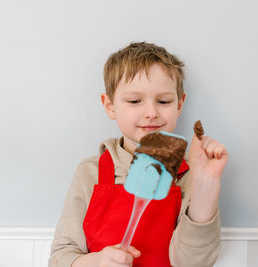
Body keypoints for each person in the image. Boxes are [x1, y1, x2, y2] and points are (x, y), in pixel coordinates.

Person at [49, 42, 228, 267]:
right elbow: (61, 258)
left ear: (180, 105)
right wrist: (96, 262)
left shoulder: (190, 174)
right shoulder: (90, 172)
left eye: (163, 101)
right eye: (135, 101)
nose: (151, 113)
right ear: (110, 105)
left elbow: (194, 263)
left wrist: (205, 189)